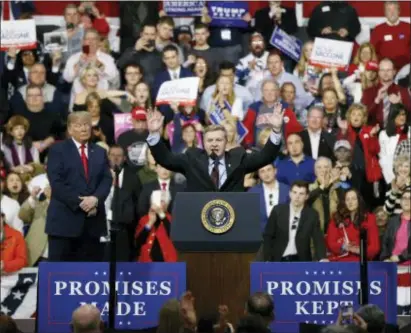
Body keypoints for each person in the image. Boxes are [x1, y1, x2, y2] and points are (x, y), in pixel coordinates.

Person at [145, 105, 284, 192]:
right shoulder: (191, 158)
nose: (214, 143)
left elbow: (266, 157)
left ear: (225, 141)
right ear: (203, 143)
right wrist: (153, 134)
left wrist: (276, 130)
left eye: (218, 140)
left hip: (232, 220)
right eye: (210, 140)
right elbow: (165, 159)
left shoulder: (239, 157)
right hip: (199, 221)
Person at [46, 112, 112, 262]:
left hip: (92, 225)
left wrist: (96, 199)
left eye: (86, 124)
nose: (83, 129)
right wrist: (81, 202)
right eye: (78, 125)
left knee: (89, 276)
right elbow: (56, 182)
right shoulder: (58, 150)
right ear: (70, 129)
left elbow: (106, 179)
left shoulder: (100, 152)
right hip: (64, 225)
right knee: (60, 276)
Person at [263, 181, 327, 262]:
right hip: (278, 259)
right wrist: (267, 259)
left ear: (307, 196)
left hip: (301, 260)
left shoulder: (312, 215)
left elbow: (318, 238)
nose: (297, 196)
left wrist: (322, 258)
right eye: (295, 192)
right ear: (290, 194)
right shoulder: (278, 210)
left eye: (301, 194)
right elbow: (268, 235)